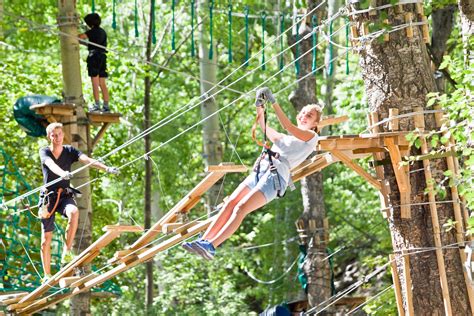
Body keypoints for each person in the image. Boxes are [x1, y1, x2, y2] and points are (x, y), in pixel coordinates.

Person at [183, 87, 323, 260]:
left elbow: (288, 125)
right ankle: (204, 241)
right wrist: (259, 104)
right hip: (260, 171)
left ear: (315, 124)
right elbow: (263, 125)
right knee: (230, 203)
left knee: (241, 208)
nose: (303, 116)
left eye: (309, 116)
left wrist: (273, 102)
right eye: (302, 113)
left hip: (275, 178)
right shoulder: (283, 138)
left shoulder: (311, 138)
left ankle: (212, 245)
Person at [39, 122, 119, 281]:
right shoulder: (44, 151)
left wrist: (106, 169)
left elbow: (87, 160)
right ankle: (47, 275)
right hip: (48, 198)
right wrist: (62, 173)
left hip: (64, 196)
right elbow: (50, 164)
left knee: (74, 212)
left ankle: (66, 252)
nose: (57, 138)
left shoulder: (69, 151)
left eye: (59, 134)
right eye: (54, 135)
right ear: (49, 137)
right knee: (45, 240)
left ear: (63, 135)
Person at [78, 13, 110, 112]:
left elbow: (80, 36)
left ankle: (97, 104)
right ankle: (106, 106)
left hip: (94, 57)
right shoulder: (102, 32)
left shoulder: (92, 32)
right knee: (102, 83)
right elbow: (91, 43)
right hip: (102, 56)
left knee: (95, 82)